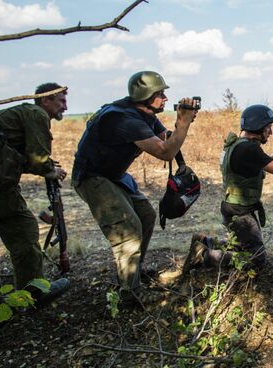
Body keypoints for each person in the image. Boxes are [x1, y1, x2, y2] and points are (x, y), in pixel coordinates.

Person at [71, 71, 198, 300]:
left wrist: (182, 131)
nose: (166, 99)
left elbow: (164, 138)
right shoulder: (123, 119)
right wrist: (183, 123)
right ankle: (130, 294)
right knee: (128, 230)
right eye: (160, 94)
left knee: (146, 216)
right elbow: (165, 152)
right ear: (145, 95)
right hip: (93, 177)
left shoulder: (145, 113)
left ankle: (133, 272)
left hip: (114, 175)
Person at [0, 83, 70, 304]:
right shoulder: (36, 113)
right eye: (61, 101)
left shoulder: (13, 116)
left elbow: (16, 155)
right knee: (22, 227)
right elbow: (38, 159)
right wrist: (50, 171)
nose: (65, 106)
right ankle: (34, 290)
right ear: (45, 100)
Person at [186, 104, 273, 271]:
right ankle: (204, 255)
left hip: (233, 207)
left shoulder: (239, 145)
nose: (271, 132)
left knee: (240, 245)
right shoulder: (248, 149)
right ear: (257, 127)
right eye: (268, 127)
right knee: (256, 259)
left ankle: (206, 241)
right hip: (240, 214)